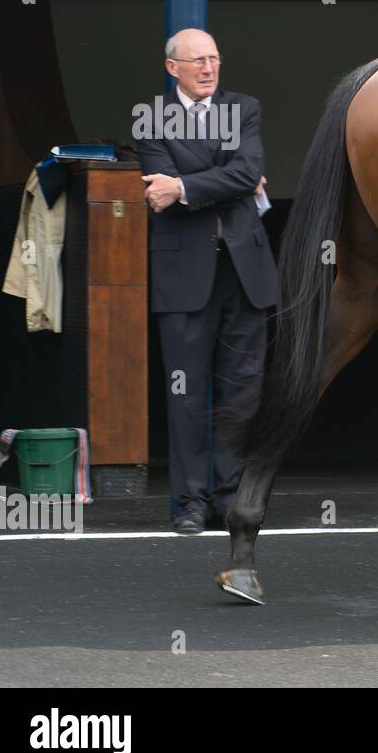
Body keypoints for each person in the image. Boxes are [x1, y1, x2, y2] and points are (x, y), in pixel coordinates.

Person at [136, 29, 277, 534]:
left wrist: (185, 184)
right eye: (197, 60)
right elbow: (160, 191)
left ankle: (229, 497)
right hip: (184, 275)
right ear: (172, 67)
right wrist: (228, 176)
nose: (209, 68)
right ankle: (190, 503)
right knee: (186, 392)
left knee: (242, 393)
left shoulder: (245, 108)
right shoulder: (149, 117)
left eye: (215, 58)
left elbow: (248, 173)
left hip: (244, 272)